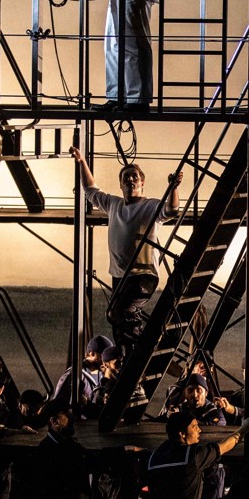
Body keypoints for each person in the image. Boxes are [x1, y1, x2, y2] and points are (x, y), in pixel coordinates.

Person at [70, 146, 181, 350]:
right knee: (117, 319)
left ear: (142, 183)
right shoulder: (114, 204)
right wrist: (82, 161)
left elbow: (172, 210)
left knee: (121, 312)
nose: (130, 179)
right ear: (121, 184)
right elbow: (90, 190)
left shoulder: (150, 206)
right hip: (121, 276)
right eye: (126, 177)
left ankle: (142, 350)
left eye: (135, 176)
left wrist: (173, 188)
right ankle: (126, 357)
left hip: (143, 274)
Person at [51, 334, 108, 405]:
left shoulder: (102, 376)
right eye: (103, 356)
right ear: (92, 354)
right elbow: (57, 405)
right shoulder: (74, 375)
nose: (107, 361)